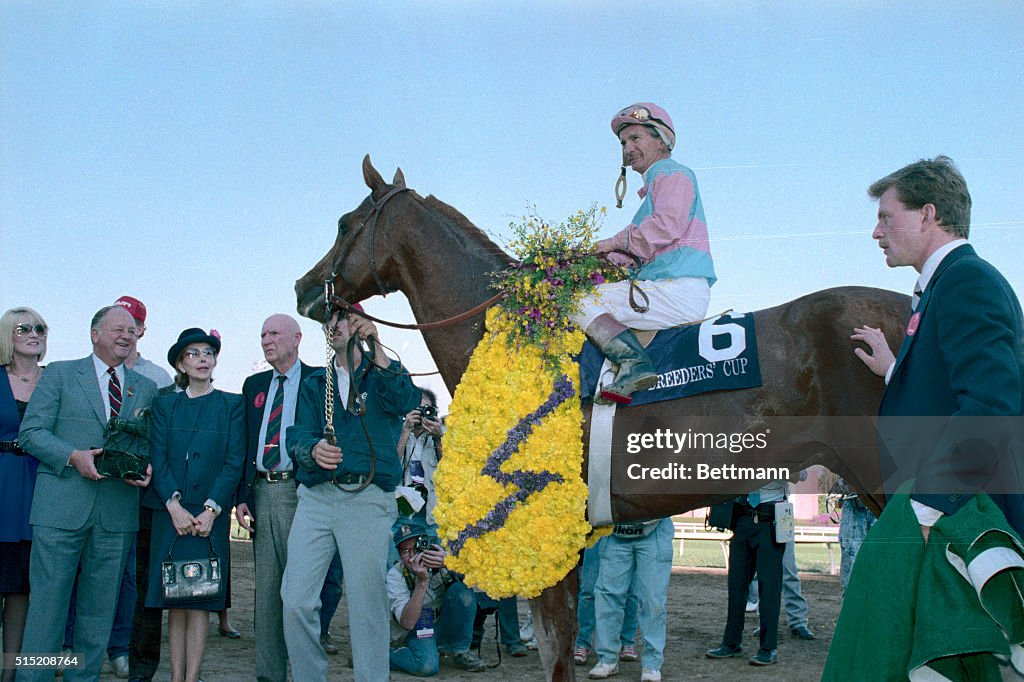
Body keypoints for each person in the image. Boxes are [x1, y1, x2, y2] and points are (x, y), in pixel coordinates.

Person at [823, 156, 1024, 678]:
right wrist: (896, 372)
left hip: (955, 515)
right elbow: (954, 393)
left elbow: (993, 405)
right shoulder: (945, 285)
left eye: (887, 217)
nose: (876, 231)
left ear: (928, 214)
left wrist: (932, 504)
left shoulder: (967, 281)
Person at [17, 305, 157, 681]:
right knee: (47, 610)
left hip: (116, 514)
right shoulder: (60, 374)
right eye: (117, 329)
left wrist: (146, 470)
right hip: (60, 510)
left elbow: (147, 445)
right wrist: (72, 456)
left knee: (98, 614)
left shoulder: (145, 387)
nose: (126, 336)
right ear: (95, 334)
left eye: (132, 330)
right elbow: (31, 434)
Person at [282, 305, 420, 681]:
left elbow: (406, 399)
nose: (334, 326)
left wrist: (375, 344)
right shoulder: (314, 383)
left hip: (367, 499)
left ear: (359, 324)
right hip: (316, 499)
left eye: (341, 318)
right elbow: (295, 435)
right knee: (295, 600)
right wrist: (311, 450)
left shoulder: (381, 374)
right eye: (328, 321)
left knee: (367, 604)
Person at [575, 102, 715, 404]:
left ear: (661, 140)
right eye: (624, 143)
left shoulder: (672, 175)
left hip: (678, 289)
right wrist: (595, 259)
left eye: (636, 139)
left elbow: (665, 227)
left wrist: (612, 242)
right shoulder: (655, 191)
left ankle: (634, 365)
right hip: (668, 287)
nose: (628, 148)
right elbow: (639, 251)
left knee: (580, 300)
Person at [143, 328, 244, 682]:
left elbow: (234, 462)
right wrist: (173, 505)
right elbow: (158, 456)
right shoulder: (164, 403)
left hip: (207, 518)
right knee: (175, 599)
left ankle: (192, 677)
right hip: (170, 515)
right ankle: (175, 677)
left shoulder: (232, 404)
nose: (202, 359)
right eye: (192, 354)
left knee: (200, 599)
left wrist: (212, 510)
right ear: (180, 364)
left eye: (207, 353)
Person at [232, 313, 315, 682]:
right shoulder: (254, 386)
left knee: (303, 592)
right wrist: (242, 495)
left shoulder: (321, 381)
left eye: (274, 333)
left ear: (297, 338)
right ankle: (269, 675)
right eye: (262, 334)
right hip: (264, 492)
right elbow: (243, 444)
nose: (266, 340)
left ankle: (306, 673)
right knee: (266, 593)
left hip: (305, 493)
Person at [0, 307, 47, 682]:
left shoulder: (55, 381)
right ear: (7, 336)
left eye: (40, 328)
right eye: (24, 328)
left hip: (40, 492)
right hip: (0, 489)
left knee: (22, 590)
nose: (34, 333)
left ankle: (11, 672)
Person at [387, 519, 485, 675]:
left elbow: (480, 584)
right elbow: (407, 623)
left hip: (442, 621)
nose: (412, 556)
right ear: (399, 555)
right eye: (405, 551)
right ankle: (385, 656)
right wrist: (422, 581)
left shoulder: (442, 558)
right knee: (427, 667)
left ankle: (460, 652)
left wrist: (450, 563)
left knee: (463, 593)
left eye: (416, 548)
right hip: (418, 626)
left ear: (426, 544)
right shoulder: (396, 575)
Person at [705, 480, 788, 667]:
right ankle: (731, 643)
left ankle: (768, 648)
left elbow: (801, 476)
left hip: (770, 519)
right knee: (736, 585)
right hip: (742, 517)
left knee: (769, 588)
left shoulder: (783, 450)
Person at [587, 517, 674, 682]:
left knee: (652, 600)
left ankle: (652, 664)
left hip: (655, 529)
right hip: (614, 531)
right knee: (607, 597)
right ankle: (607, 659)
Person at [574, 539, 640, 666]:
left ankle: (627, 641)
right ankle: (583, 642)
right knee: (588, 590)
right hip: (598, 533)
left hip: (625, 532)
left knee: (630, 591)